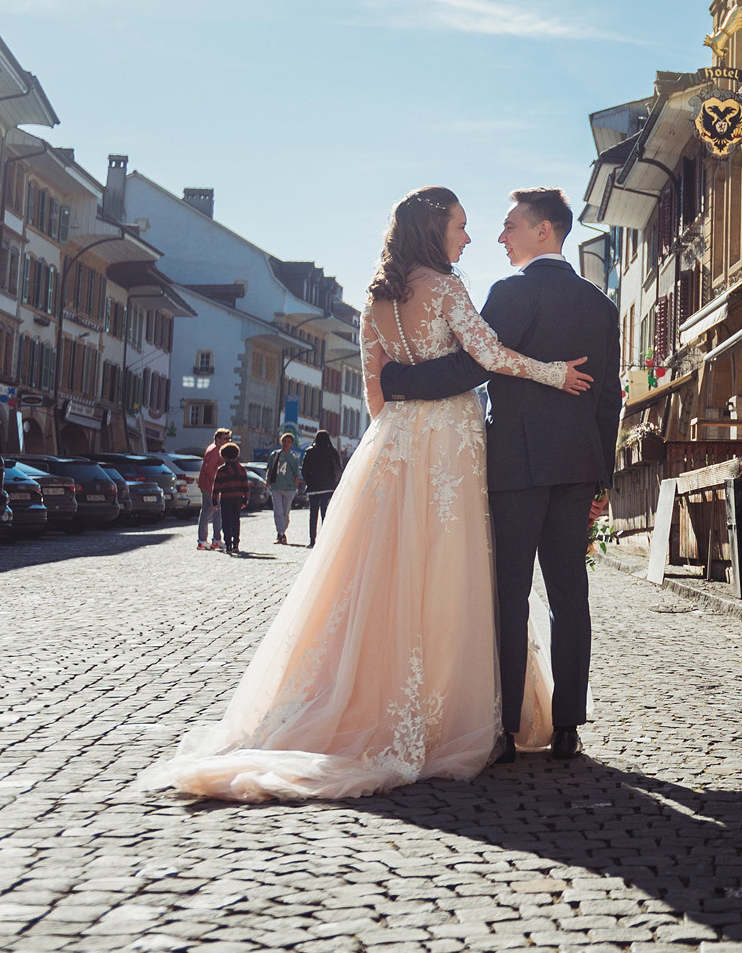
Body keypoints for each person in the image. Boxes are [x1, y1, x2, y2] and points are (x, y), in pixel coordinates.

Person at [148, 186, 594, 801]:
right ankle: (461, 713)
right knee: (453, 571)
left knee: (384, 575)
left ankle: (372, 698)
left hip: (397, 443)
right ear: (434, 228)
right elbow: (486, 357)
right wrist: (555, 373)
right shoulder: (448, 288)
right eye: (461, 227)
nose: (469, 238)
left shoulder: (375, 300)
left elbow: (374, 394)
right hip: (453, 445)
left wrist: (398, 425)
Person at [379, 186, 620, 764]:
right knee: (570, 594)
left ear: (544, 231)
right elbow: (610, 397)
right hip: (578, 467)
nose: (499, 236)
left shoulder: (509, 292)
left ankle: (506, 729)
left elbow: (470, 366)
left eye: (510, 225)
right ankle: (567, 729)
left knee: (508, 594)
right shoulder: (601, 304)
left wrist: (396, 382)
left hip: (515, 466)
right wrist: (603, 477)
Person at [211, 442, 253, 555]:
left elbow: (216, 487)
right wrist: (246, 499)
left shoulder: (221, 471)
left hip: (225, 498)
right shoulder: (241, 469)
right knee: (236, 521)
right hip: (238, 498)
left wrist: (214, 501)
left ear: (223, 456)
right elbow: (245, 486)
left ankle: (228, 544)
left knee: (226, 521)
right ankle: (236, 544)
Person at [300, 429, 341, 544]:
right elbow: (338, 469)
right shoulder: (332, 452)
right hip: (328, 486)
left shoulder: (310, 452)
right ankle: (325, 540)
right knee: (325, 513)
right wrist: (333, 481)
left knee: (313, 514)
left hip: (313, 487)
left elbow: (304, 470)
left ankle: (312, 540)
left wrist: (310, 480)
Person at [196, 429, 231, 550]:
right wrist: (218, 482)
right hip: (210, 485)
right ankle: (216, 539)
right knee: (217, 512)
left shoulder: (212, 448)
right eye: (226, 438)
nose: (228, 441)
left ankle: (202, 540)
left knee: (206, 512)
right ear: (218, 439)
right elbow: (209, 469)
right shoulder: (216, 450)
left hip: (206, 484)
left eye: (229, 439)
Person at [268, 431, 302, 544]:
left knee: (285, 513)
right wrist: (267, 482)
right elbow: (270, 469)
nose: (285, 443)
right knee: (278, 511)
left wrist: (295, 488)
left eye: (288, 442)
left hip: (289, 488)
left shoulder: (293, 457)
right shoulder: (274, 455)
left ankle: (282, 530)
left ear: (291, 444)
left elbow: (296, 474)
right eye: (284, 441)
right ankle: (281, 534)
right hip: (276, 486)